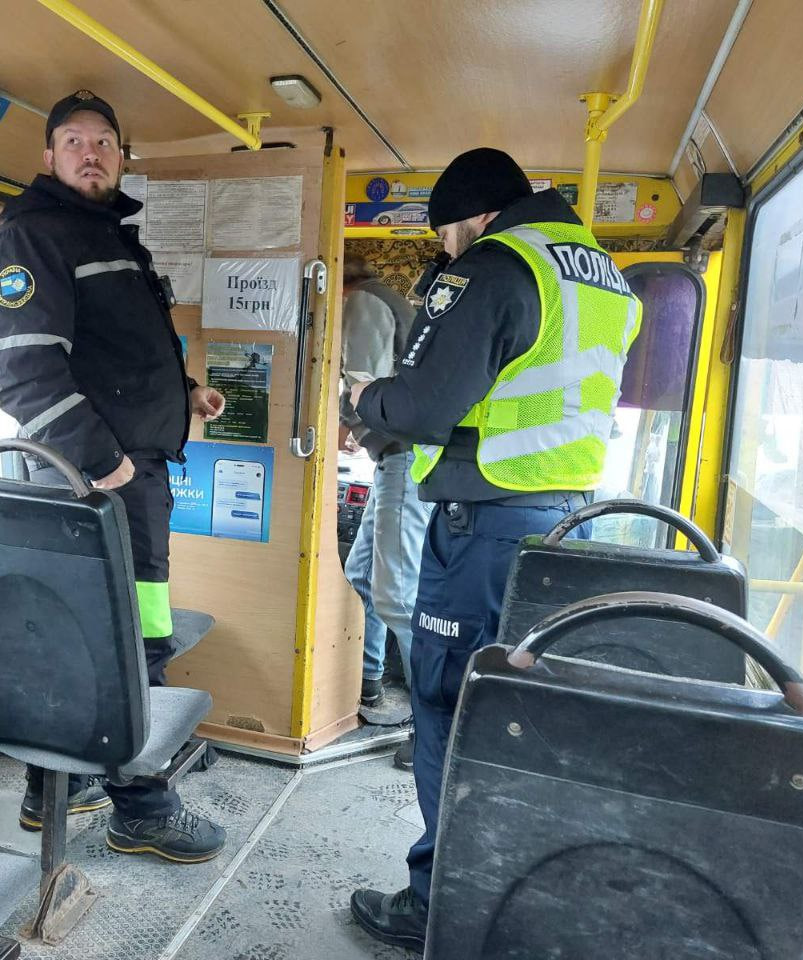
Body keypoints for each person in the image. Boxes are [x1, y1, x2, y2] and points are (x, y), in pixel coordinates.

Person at [346, 148, 641, 950]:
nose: (446, 251)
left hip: (487, 526)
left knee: (450, 706)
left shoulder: (495, 264)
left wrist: (361, 396)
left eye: (446, 234)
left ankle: (440, 905)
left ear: (473, 216)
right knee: (520, 714)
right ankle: (513, 894)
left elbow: (422, 406)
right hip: (569, 523)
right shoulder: (602, 274)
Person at [0, 90, 228, 864]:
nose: (92, 152)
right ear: (48, 158)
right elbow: (20, 371)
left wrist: (182, 399)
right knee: (130, 639)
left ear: (122, 157)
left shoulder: (102, 233)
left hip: (125, 473)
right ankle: (142, 807)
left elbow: (108, 356)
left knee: (82, 633)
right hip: (93, 481)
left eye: (106, 142)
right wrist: (103, 463)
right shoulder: (33, 236)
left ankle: (53, 786)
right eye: (75, 141)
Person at [338, 254, 433, 770]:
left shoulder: (364, 302)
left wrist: (349, 427)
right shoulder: (385, 300)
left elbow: (365, 384)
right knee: (362, 573)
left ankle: (432, 725)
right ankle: (369, 684)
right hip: (396, 456)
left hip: (404, 457)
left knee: (398, 593)